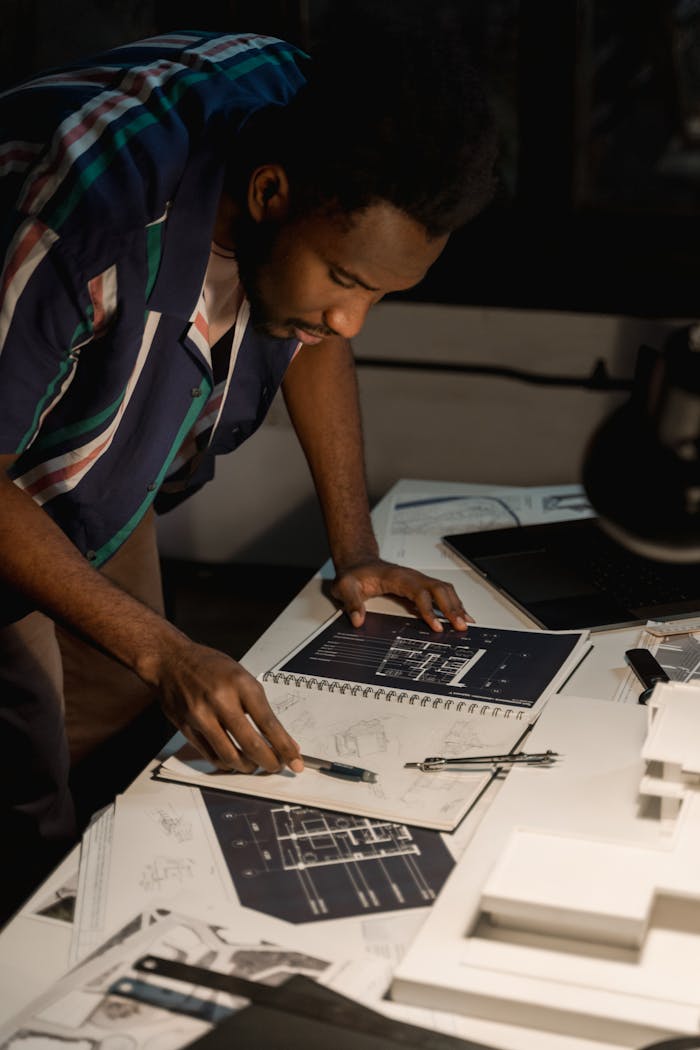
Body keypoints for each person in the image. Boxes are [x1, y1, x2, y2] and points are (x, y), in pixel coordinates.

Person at [0, 19, 497, 910]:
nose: (355, 320)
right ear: (269, 194)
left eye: (380, 293)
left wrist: (354, 549)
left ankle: (121, 887)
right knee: (26, 760)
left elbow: (313, 335)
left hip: (74, 431)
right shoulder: (90, 218)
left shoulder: (325, 133)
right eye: (348, 279)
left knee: (121, 700)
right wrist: (165, 650)